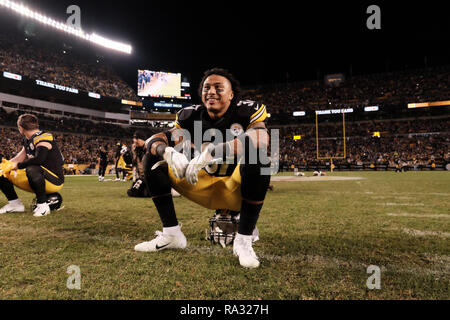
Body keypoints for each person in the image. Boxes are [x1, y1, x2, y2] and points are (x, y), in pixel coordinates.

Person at [134, 68, 271, 269]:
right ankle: (172, 234)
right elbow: (155, 139)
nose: (211, 91)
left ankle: (243, 240)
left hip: (235, 190)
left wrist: (215, 151)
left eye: (218, 87)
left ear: (231, 94)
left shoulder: (245, 111)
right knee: (152, 159)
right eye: (207, 87)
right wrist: (167, 152)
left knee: (259, 158)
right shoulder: (189, 116)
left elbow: (261, 139)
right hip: (200, 185)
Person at [0, 114, 64, 217]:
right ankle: (15, 204)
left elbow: (39, 159)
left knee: (32, 168)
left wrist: (17, 166)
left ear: (20, 128)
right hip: (37, 177)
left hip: (54, 180)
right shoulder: (27, 139)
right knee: (2, 172)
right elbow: (17, 159)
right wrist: (4, 166)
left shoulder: (44, 136)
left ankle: (42, 206)